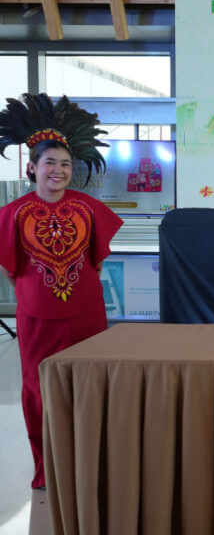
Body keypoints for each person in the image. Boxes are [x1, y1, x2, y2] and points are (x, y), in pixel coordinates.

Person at [0, 93, 122, 489]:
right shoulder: (12, 214)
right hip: (37, 320)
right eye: (50, 162)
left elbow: (96, 263)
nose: (58, 170)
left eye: (65, 164)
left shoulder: (89, 209)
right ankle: (46, 466)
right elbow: (11, 269)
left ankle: (91, 462)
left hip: (86, 317)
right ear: (32, 167)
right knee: (38, 390)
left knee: (89, 385)